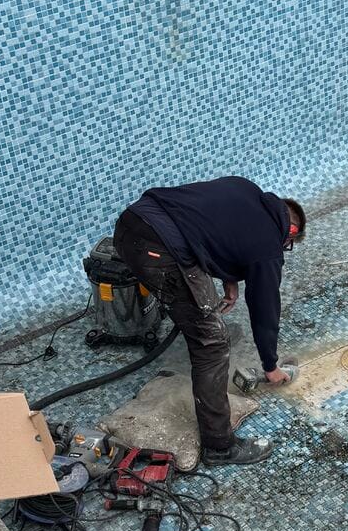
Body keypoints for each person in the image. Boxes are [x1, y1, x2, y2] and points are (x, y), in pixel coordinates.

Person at [113, 178, 305, 466]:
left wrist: (229, 279)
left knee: (198, 310)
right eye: (287, 244)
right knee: (212, 343)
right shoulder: (268, 244)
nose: (283, 248)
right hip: (160, 250)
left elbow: (214, 230)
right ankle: (219, 447)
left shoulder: (246, 190)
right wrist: (270, 366)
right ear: (290, 232)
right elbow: (265, 307)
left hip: (131, 224)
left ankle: (193, 319)